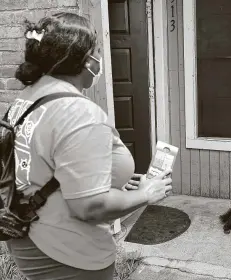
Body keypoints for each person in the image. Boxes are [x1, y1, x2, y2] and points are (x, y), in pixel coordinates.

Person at [4, 12, 172, 279]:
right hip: (69, 253)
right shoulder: (78, 113)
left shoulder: (27, 99)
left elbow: (48, 164)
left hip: (30, 237)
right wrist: (145, 194)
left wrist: (104, 179)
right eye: (95, 52)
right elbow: (90, 206)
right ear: (83, 61)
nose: (99, 59)